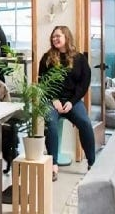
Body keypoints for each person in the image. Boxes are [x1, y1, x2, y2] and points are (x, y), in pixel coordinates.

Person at [39, 26, 95, 181]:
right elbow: (42, 82)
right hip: (52, 101)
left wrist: (72, 101)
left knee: (85, 122)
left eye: (58, 36)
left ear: (67, 37)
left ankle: (92, 163)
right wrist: (53, 99)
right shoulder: (47, 58)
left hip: (72, 101)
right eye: (53, 36)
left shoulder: (79, 59)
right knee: (51, 124)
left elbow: (84, 83)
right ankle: (53, 166)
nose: (55, 39)